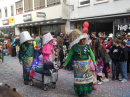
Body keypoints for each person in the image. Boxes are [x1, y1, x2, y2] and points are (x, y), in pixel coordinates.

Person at [63, 29, 96, 97]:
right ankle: (80, 92)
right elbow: (69, 56)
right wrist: (65, 64)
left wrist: (94, 62)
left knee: (86, 79)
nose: (83, 41)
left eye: (84, 39)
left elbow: (91, 54)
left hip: (86, 66)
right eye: (82, 39)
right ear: (79, 40)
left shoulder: (87, 46)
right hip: (78, 67)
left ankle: (86, 91)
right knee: (80, 80)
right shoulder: (74, 47)